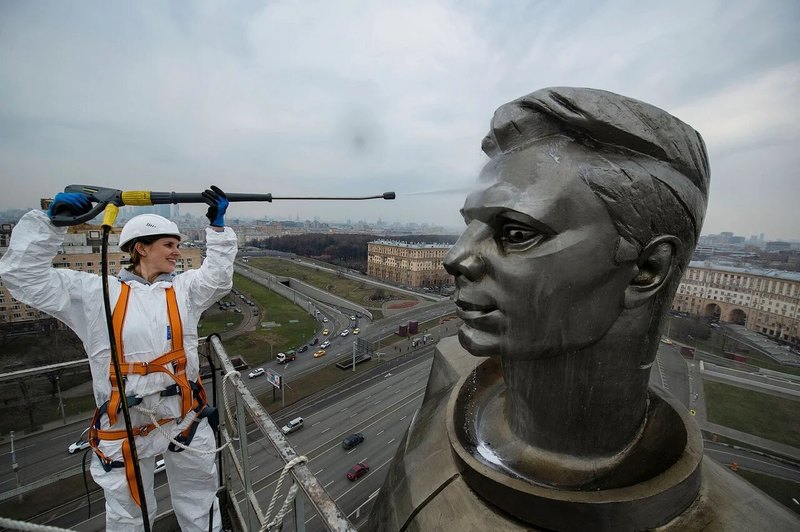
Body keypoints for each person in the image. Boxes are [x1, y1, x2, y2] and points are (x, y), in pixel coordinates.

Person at [0, 186, 237, 531]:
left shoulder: (184, 291)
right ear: (141, 248)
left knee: (201, 503)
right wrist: (49, 225)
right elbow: (23, 277)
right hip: (124, 427)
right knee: (129, 517)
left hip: (184, 418)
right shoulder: (96, 294)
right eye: (168, 245)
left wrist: (217, 230)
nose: (177, 252)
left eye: (177, 245)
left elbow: (218, 278)